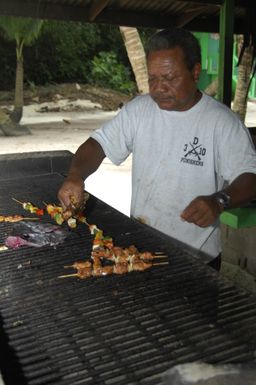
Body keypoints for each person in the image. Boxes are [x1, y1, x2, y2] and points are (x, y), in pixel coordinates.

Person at [58, 28, 256, 270]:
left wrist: (219, 200)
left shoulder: (222, 122)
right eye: (152, 78)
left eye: (170, 78)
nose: (159, 87)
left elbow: (250, 176)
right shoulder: (139, 110)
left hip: (198, 258)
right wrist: (75, 175)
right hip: (140, 247)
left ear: (195, 72)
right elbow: (97, 144)